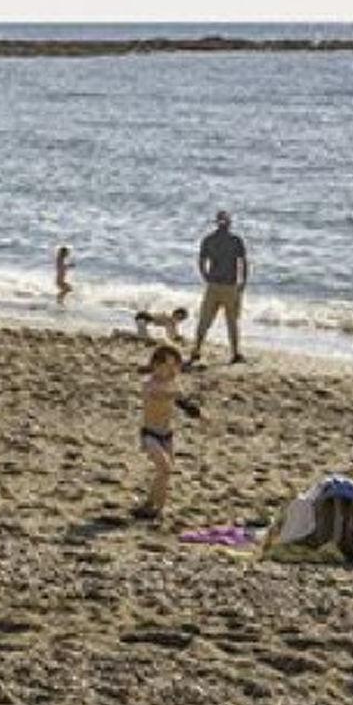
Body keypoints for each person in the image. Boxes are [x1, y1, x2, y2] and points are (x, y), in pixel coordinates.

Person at [134, 345, 202, 520]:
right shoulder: (149, 384)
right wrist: (173, 395)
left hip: (167, 435)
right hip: (150, 434)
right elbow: (155, 396)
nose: (172, 371)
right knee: (164, 468)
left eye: (175, 367)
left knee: (164, 473)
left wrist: (197, 413)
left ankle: (150, 503)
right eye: (168, 366)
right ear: (156, 365)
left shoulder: (173, 385)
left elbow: (184, 404)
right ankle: (159, 510)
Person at [189, 210, 248, 367]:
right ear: (229, 223)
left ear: (217, 223)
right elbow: (243, 263)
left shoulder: (208, 240)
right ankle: (235, 353)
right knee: (232, 322)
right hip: (230, 286)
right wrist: (243, 282)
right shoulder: (235, 240)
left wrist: (205, 276)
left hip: (214, 285)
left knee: (205, 319)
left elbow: (201, 262)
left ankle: (196, 350)